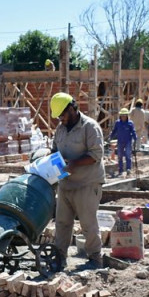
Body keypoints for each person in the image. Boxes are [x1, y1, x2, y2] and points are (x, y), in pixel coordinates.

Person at [49, 92, 106, 268]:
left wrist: (74, 163)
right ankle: (60, 257)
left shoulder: (90, 127)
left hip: (87, 183)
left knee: (88, 223)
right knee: (62, 223)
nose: (61, 119)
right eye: (58, 116)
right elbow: (54, 151)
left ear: (73, 108)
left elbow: (96, 154)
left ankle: (95, 258)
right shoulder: (60, 129)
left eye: (63, 115)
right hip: (66, 183)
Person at [109, 110, 137, 176]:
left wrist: (135, 137)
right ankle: (120, 170)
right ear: (120, 116)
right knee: (120, 156)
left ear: (127, 116)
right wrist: (111, 137)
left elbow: (133, 131)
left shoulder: (130, 123)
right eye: (122, 116)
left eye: (125, 116)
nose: (123, 117)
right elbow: (114, 130)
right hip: (120, 141)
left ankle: (128, 169)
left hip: (128, 141)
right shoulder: (118, 123)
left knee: (128, 155)